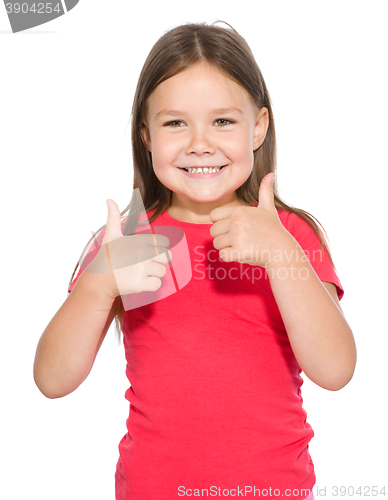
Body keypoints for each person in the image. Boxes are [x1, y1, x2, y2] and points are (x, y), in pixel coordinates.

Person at [33, 21, 357, 500]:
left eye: (222, 121)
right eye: (175, 122)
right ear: (146, 134)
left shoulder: (288, 234)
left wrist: (280, 253)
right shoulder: (129, 239)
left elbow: (336, 370)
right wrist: (98, 285)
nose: (199, 143)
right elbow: (51, 380)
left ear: (259, 127)